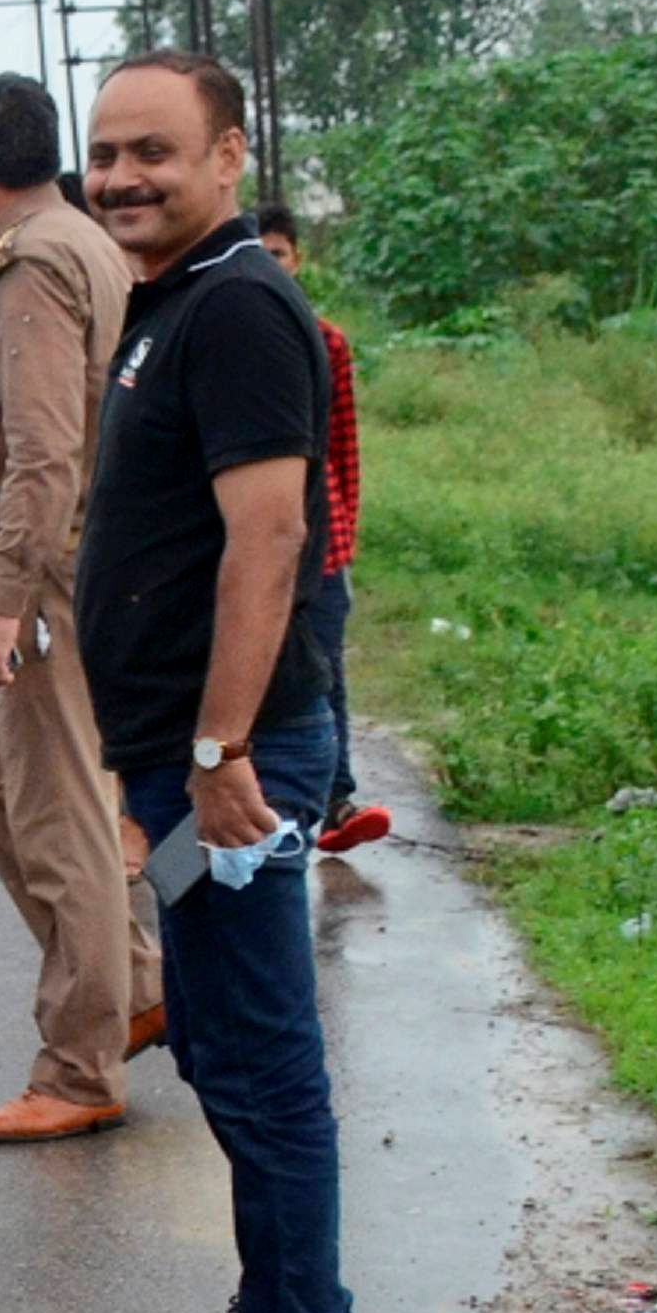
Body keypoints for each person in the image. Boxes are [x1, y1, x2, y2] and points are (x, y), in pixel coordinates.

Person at [78, 52, 356, 1313]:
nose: (122, 175)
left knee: (254, 1058)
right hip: (189, 757)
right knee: (222, 1036)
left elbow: (266, 539)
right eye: (104, 152)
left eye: (153, 152)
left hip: (230, 759)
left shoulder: (240, 305)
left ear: (228, 153)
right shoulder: (175, 298)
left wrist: (214, 746)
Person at [0, 73, 155, 1145]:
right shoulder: (82, 239)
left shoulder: (29, 263)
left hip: (47, 572)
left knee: (57, 810)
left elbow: (40, 452)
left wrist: (0, 603)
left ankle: (77, 1064)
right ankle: (139, 982)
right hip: (62, 561)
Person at [250, 207, 388, 857]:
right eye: (258, 252)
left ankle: (333, 799)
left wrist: (344, 535)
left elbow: (343, 447)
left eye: (278, 253)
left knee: (323, 672)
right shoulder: (226, 337)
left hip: (320, 543)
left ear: (296, 259)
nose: (269, 264)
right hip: (254, 544)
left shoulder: (325, 340)